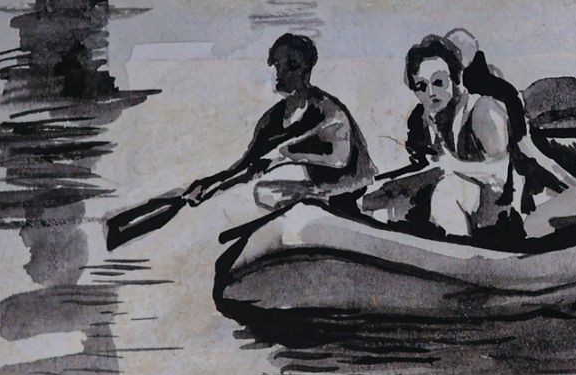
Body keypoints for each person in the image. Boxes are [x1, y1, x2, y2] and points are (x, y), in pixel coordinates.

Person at [184, 33, 374, 207]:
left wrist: (282, 156)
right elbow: (249, 163)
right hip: (312, 190)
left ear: (307, 69)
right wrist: (212, 183)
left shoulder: (329, 112)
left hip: (346, 192)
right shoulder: (271, 119)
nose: (281, 73)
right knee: (257, 194)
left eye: (292, 65)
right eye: (277, 64)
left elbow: (339, 158)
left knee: (263, 193)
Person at [440, 27, 576, 204]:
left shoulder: (477, 86)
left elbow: (502, 101)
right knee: (539, 161)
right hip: (513, 121)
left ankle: (570, 189)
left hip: (511, 124)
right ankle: (570, 188)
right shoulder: (484, 76)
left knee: (535, 160)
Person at [394, 34, 516, 239]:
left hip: (503, 208)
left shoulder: (483, 110)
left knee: (446, 191)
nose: (430, 93)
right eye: (421, 86)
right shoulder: (429, 119)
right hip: (469, 203)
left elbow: (501, 174)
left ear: (455, 79)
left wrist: (451, 166)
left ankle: (460, 254)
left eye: (438, 82)